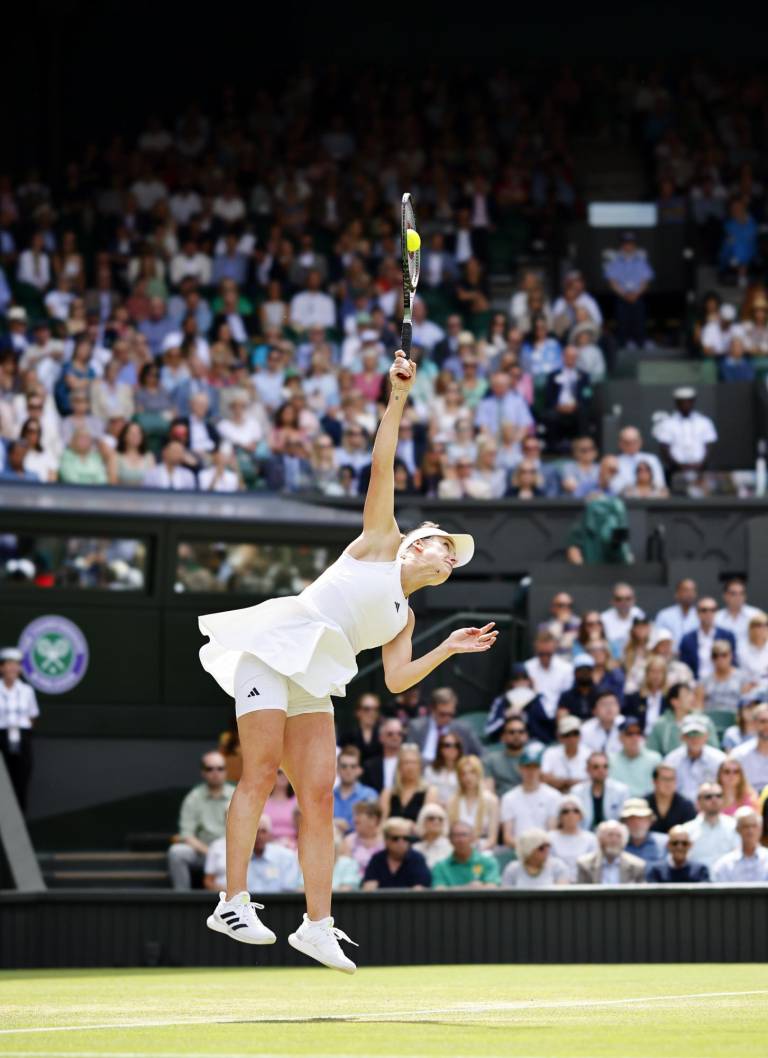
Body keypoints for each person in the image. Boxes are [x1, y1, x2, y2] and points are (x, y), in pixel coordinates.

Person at [198, 351, 496, 972]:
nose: (446, 559)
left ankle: (317, 924)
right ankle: (231, 900)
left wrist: (447, 647)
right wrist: (398, 398)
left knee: (319, 794)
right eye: (443, 546)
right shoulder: (381, 540)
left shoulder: (405, 618)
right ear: (416, 543)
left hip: (314, 676)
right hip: (275, 647)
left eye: (451, 559)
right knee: (257, 773)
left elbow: (395, 679)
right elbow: (381, 462)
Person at [167, 752, 235, 890]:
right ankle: (182, 900)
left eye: (220, 768)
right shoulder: (193, 798)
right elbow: (187, 835)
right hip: (204, 851)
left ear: (226, 771)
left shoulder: (237, 794)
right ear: (203, 773)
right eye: (210, 769)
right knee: (176, 852)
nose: (215, 772)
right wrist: (211, 852)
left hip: (233, 852)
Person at [204, 816, 301, 895]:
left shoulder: (286, 856)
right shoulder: (236, 858)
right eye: (255, 831)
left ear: (270, 834)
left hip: (279, 910)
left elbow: (290, 890)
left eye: (263, 831)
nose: (259, 836)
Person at [0, 646, 40, 812]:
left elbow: (32, 716)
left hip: (21, 738)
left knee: (21, 780)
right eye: (9, 664)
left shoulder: (26, 690)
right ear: (1, 667)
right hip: (1, 737)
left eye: (16, 664)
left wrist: (22, 733)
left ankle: (18, 821)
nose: (13, 668)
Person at [500, 745, 562, 847]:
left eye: (535, 767)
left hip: (545, 849)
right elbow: (507, 837)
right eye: (527, 767)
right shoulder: (508, 798)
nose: (531, 771)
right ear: (520, 768)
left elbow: (552, 831)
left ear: (540, 769)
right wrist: (526, 849)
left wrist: (537, 848)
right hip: (519, 850)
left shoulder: (554, 796)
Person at [406, 686, 484, 763]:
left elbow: (483, 754)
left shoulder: (463, 729)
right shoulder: (417, 727)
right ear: (432, 709)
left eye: (450, 714)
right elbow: (407, 755)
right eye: (442, 714)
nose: (447, 718)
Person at [652, 387, 718, 477]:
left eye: (688, 401)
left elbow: (710, 445)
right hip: (675, 470)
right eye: (682, 402)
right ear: (676, 403)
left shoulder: (704, 422)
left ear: (693, 402)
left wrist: (701, 464)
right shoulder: (668, 423)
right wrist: (678, 466)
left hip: (701, 469)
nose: (685, 404)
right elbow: (664, 447)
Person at [603, 231, 654, 348]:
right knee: (622, 324)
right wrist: (624, 294)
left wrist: (636, 294)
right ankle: (622, 346)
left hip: (637, 297)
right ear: (622, 245)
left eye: (630, 243)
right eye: (626, 243)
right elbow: (612, 282)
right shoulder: (615, 261)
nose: (628, 246)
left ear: (634, 245)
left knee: (639, 323)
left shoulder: (641, 261)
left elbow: (646, 281)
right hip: (622, 297)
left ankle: (641, 344)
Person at [664, 714, 726, 803]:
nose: (694, 738)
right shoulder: (671, 760)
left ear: (706, 736)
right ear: (682, 737)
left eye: (698, 734)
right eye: (690, 734)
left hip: (711, 807)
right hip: (680, 808)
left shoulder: (719, 759)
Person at [646, 682, 718, 757]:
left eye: (691, 694)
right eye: (687, 695)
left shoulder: (704, 722)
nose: (692, 698)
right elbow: (652, 752)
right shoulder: (660, 725)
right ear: (675, 702)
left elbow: (714, 749)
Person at [362, 816, 432, 890]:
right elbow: (368, 886)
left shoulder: (417, 859)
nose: (401, 842)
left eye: (405, 838)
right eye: (395, 838)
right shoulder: (377, 859)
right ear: (386, 840)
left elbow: (421, 888)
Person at [680, 782, 740, 870]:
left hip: (727, 881)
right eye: (708, 797)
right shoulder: (687, 830)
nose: (714, 799)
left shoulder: (735, 826)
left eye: (718, 795)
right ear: (698, 801)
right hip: (697, 882)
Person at [446, 754, 499, 851]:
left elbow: (492, 839)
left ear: (479, 774)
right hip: (457, 848)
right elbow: (448, 834)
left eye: (472, 772)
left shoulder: (491, 800)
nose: (468, 777)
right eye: (463, 774)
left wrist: (476, 850)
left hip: (482, 847)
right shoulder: (452, 801)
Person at [678, 597, 737, 681]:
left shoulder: (727, 636)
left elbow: (733, 663)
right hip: (696, 684)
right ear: (697, 613)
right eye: (704, 610)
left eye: (712, 610)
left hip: (722, 683)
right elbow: (684, 667)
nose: (708, 613)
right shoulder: (687, 639)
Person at [523, 630, 574, 726]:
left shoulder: (567, 669)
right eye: (541, 654)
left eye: (549, 654)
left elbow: (568, 697)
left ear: (554, 649)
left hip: (560, 716)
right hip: (534, 717)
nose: (545, 657)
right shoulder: (528, 667)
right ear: (536, 650)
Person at [431, 820, 501, 888]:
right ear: (449, 839)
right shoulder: (440, 867)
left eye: (464, 835)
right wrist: (468, 888)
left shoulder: (489, 862)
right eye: (456, 835)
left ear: (473, 838)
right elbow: (439, 890)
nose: (460, 840)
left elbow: (493, 887)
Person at [380, 743, 439, 823]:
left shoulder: (429, 792)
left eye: (414, 762)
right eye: (406, 762)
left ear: (420, 766)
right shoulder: (388, 793)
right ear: (399, 766)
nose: (410, 767)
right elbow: (382, 822)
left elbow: (427, 822)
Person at [576, 820, 647, 884]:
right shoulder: (585, 865)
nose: (614, 840)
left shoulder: (637, 866)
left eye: (618, 836)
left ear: (624, 841)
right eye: (610, 835)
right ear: (600, 839)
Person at [571, 751, 629, 830]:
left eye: (605, 766)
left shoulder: (621, 790)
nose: (601, 770)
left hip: (613, 835)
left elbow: (623, 819)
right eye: (596, 767)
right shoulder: (576, 792)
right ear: (587, 770)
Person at [546, 796, 598, 881]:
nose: (571, 814)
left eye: (575, 811)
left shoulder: (591, 839)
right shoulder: (549, 838)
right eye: (565, 811)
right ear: (560, 816)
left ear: (581, 815)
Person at [711, 807, 768, 882]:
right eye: (746, 826)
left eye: (754, 826)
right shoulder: (724, 865)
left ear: (760, 829)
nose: (750, 830)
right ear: (737, 829)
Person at [609, 717, 662, 797]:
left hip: (647, 805)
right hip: (620, 805)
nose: (634, 738)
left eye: (638, 733)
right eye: (629, 734)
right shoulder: (611, 760)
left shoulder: (655, 759)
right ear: (620, 738)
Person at [501, 827, 569, 888]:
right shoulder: (512, 869)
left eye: (548, 846)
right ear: (528, 849)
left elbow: (562, 895)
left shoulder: (558, 866)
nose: (546, 850)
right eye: (541, 848)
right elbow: (505, 896)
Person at [482, 715, 533, 797]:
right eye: (511, 732)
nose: (516, 735)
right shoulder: (491, 760)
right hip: (500, 806)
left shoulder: (534, 760)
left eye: (521, 732)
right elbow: (488, 793)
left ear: (527, 736)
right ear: (503, 737)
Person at [611, 426, 667, 496]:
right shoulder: (614, 462)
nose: (631, 445)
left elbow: (660, 484)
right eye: (627, 442)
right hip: (625, 501)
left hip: (652, 500)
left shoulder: (652, 459)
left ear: (640, 442)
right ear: (620, 443)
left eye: (634, 442)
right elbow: (615, 487)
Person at [333, 747, 379, 832]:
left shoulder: (369, 795)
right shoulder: (328, 796)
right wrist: (333, 823)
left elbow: (373, 825)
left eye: (353, 766)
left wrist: (349, 826)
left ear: (359, 770)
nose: (348, 770)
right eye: (344, 766)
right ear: (337, 770)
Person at [540, 715, 590, 791]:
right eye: (567, 735)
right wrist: (571, 782)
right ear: (559, 737)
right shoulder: (550, 753)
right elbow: (544, 778)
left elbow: (592, 781)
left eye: (575, 733)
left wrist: (561, 782)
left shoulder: (589, 754)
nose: (572, 738)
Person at [622, 657, 669, 735]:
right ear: (647, 673)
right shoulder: (635, 698)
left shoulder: (669, 698)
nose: (656, 676)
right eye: (653, 671)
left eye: (660, 672)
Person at [646, 763, 696, 834]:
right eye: (664, 779)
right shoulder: (644, 804)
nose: (668, 783)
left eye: (672, 779)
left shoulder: (686, 806)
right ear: (654, 782)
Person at [701, 641, 749, 715]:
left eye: (724, 655)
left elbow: (746, 705)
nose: (720, 659)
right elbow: (699, 706)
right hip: (711, 720)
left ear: (731, 656)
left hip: (735, 719)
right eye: (715, 656)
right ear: (711, 658)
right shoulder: (704, 681)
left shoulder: (742, 678)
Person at [731, 702, 768, 794]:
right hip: (747, 804)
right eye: (763, 721)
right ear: (754, 724)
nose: (767, 726)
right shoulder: (739, 754)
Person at [715, 578, 761, 650]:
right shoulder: (717, 617)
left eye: (741, 593)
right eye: (733, 594)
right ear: (725, 596)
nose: (738, 597)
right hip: (725, 658)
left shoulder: (755, 615)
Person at [336, 692, 382, 763]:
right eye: (367, 709)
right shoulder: (347, 736)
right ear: (358, 712)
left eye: (375, 709)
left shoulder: (384, 734)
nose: (372, 713)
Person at [654, 578, 699, 650]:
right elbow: (657, 639)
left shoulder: (700, 615)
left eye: (692, 590)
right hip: (670, 657)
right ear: (677, 594)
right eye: (686, 590)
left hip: (693, 658)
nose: (689, 594)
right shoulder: (664, 615)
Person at [362, 717, 404, 793]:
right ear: (381, 737)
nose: (395, 737)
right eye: (390, 734)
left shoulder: (409, 762)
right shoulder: (370, 766)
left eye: (399, 734)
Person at [601, 583, 645, 654]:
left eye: (628, 599)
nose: (623, 602)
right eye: (619, 599)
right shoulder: (604, 618)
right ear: (613, 601)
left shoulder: (639, 615)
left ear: (633, 600)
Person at [620, 797, 665, 866]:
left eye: (640, 818)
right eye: (631, 819)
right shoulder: (618, 845)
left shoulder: (665, 843)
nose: (636, 823)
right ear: (624, 822)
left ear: (650, 820)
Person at [342, 800, 384, 872]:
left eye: (359, 814)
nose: (354, 819)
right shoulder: (349, 840)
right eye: (354, 814)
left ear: (373, 819)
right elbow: (344, 870)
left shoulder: (385, 841)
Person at [424, 731, 462, 804]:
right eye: (447, 745)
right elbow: (426, 795)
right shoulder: (430, 770)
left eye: (456, 745)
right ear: (440, 748)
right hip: (435, 810)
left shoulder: (464, 770)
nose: (452, 748)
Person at [264, 769, 298, 848]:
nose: (283, 776)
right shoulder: (262, 802)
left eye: (287, 773)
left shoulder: (298, 802)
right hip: (268, 849)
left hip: (294, 850)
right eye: (279, 772)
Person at [413, 803, 452, 868]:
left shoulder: (451, 849)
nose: (436, 821)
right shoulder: (415, 848)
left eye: (440, 819)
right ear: (422, 821)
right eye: (431, 818)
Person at [737, 612, 768, 684]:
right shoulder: (742, 649)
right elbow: (743, 674)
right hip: (751, 689)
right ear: (751, 628)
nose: (763, 628)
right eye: (759, 625)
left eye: (766, 625)